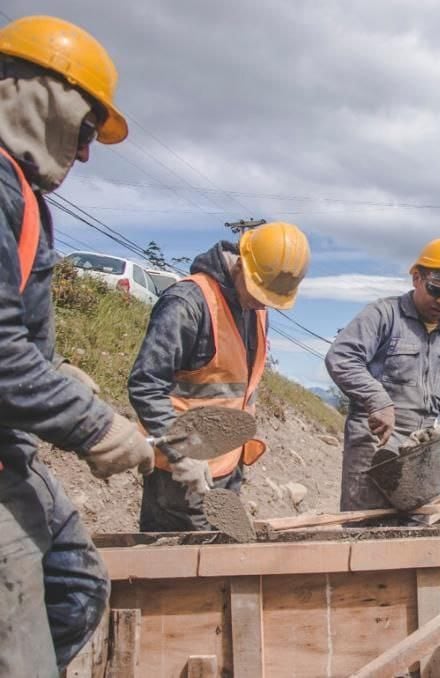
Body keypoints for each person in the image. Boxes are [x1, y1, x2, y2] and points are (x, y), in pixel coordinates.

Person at [0, 15, 156, 674]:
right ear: (46, 96)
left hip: (13, 449)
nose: (87, 153)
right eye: (88, 129)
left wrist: (64, 376)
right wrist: (96, 427)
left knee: (76, 587)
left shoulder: (21, 194)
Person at [128, 222, 310, 531]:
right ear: (240, 263)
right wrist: (181, 451)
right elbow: (146, 384)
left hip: (227, 470)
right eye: (258, 292)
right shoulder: (188, 303)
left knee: (218, 567)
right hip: (180, 477)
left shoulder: (256, 308)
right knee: (177, 571)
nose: (262, 303)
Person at [326, 238, 440, 510]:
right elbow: (341, 357)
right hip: (375, 445)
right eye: (435, 290)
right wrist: (377, 400)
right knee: (364, 531)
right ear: (417, 278)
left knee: (413, 532)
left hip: (421, 452)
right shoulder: (383, 315)